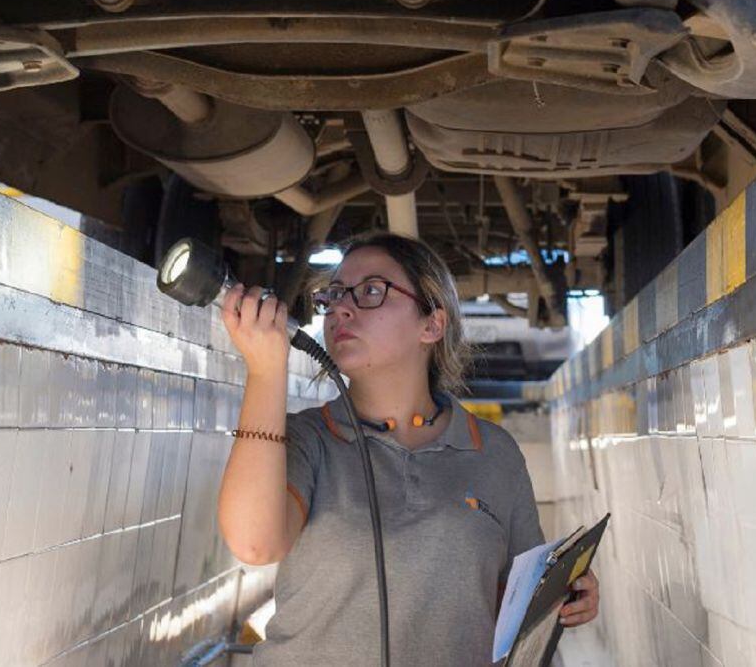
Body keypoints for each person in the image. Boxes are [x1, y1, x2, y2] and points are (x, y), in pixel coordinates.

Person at [217, 232, 600, 666]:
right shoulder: (308, 439)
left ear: (432, 325)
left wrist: (567, 597)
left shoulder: (494, 452)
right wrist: (266, 371)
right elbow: (254, 544)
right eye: (336, 294)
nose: (341, 307)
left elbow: (521, 606)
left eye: (371, 292)